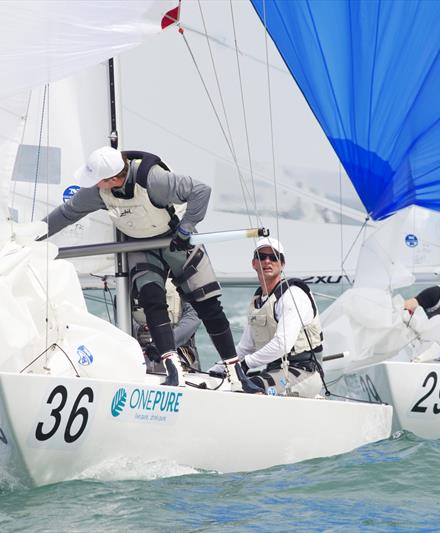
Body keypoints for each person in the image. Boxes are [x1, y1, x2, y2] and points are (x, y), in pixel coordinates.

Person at [42, 146, 237, 386]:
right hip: (140, 245)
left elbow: (200, 191)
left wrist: (186, 228)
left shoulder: (154, 179)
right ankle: (172, 369)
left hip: (175, 239)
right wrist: (33, 234)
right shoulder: (96, 192)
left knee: (207, 305)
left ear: (113, 179)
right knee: (152, 301)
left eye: (96, 180)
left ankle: (235, 372)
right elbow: (67, 213)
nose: (91, 185)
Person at [210, 238, 324, 397]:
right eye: (261, 256)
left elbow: (282, 344)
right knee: (220, 384)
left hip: (303, 374)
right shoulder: (258, 301)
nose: (267, 261)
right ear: (254, 263)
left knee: (245, 390)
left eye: (274, 257)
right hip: (275, 372)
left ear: (282, 264)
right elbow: (245, 347)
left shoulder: (292, 295)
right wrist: (218, 368)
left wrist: (246, 364)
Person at [133, 280, 201, 373]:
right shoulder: (126, 282)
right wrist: (140, 330)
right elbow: (123, 318)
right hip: (141, 354)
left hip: (179, 353)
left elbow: (193, 316)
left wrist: (164, 341)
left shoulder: (184, 278)